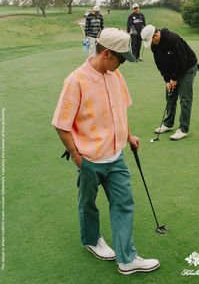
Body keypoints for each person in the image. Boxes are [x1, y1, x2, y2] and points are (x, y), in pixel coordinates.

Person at [52, 28, 160, 275]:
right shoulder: (76, 81)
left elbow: (121, 110)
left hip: (116, 156)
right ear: (107, 54)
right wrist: (78, 157)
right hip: (90, 159)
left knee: (124, 203)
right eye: (121, 58)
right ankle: (91, 240)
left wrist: (129, 135)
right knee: (88, 203)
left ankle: (127, 259)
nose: (122, 63)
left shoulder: (116, 76)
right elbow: (61, 124)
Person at [141, 24, 199, 140]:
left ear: (156, 35)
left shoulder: (173, 39)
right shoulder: (155, 46)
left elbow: (182, 62)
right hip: (174, 70)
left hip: (188, 67)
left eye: (151, 40)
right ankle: (168, 124)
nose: (151, 43)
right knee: (170, 96)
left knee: (185, 98)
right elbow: (160, 65)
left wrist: (174, 79)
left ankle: (183, 129)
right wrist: (167, 80)